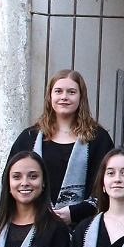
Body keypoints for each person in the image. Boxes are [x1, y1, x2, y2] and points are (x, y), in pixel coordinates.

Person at [8, 69, 115, 228]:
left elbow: (106, 187)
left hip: (83, 228)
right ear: (50, 96)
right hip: (34, 225)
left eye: (71, 92)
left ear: (81, 97)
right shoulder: (29, 137)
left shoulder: (98, 139)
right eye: (58, 91)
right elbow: (10, 182)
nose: (64, 97)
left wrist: (74, 212)